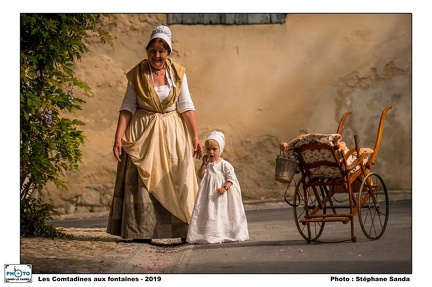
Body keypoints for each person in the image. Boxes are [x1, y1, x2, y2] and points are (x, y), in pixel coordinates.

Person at [106, 25, 203, 243]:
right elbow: (127, 107)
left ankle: (182, 229)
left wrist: (195, 136)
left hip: (172, 133)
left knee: (176, 178)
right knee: (142, 184)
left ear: (168, 52)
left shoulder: (178, 74)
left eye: (161, 50)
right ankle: (142, 231)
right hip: (143, 134)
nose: (157, 55)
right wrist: (118, 138)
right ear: (147, 51)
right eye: (152, 50)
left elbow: (186, 106)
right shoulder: (138, 75)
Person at [186, 131, 249, 244]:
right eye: (208, 149)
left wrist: (224, 187)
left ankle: (226, 233)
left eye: (214, 149)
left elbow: (231, 178)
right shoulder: (208, 165)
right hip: (208, 196)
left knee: (222, 213)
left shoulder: (225, 164)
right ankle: (209, 234)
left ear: (220, 149)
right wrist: (203, 164)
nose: (211, 152)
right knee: (210, 213)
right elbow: (200, 175)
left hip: (222, 196)